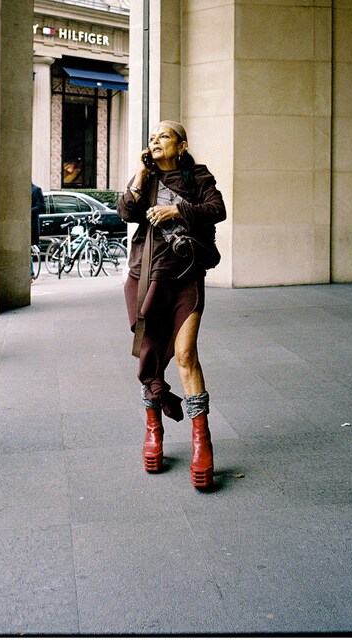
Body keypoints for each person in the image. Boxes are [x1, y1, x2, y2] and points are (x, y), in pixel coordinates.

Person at [118, 121, 226, 489]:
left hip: (185, 276)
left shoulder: (197, 176)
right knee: (150, 355)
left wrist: (176, 211)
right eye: (153, 137)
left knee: (185, 354)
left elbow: (217, 209)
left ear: (181, 145)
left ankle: (201, 440)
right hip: (146, 277)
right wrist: (140, 173)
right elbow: (126, 212)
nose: (156, 141)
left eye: (164, 136)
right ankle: (154, 430)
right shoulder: (146, 178)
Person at [31, 182, 45, 280]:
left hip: (31, 224)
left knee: (28, 249)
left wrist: (28, 211)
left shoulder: (36, 190)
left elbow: (41, 206)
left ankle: (31, 274)